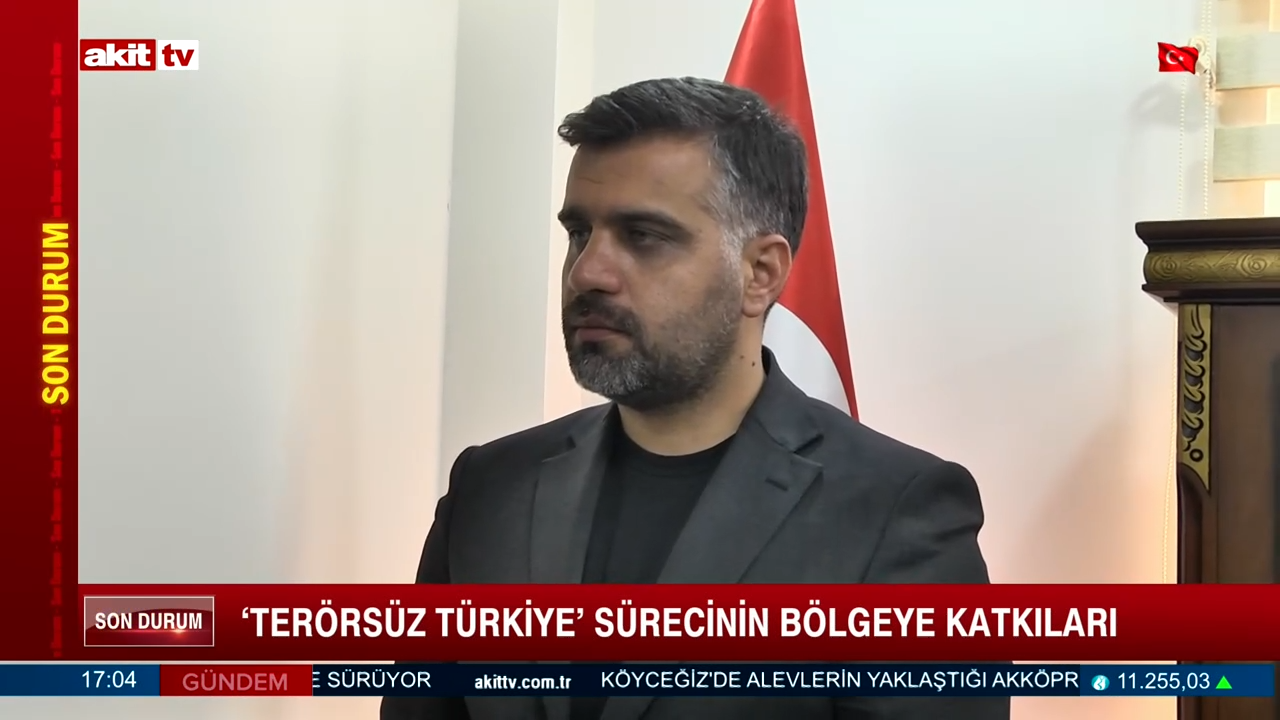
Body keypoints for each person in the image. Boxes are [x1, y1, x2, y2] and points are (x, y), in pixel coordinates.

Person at [381, 77, 1006, 720]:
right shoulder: (490, 487)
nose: (587, 271)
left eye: (643, 236)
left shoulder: (895, 512)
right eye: (579, 233)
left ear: (760, 273)